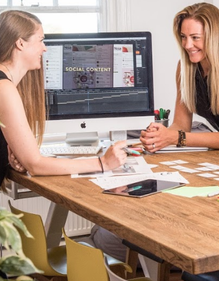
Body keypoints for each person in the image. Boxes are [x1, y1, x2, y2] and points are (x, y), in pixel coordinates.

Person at [0, 10, 127, 185]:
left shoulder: (5, 85)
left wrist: (19, 161)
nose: (44, 48)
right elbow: (36, 165)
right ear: (20, 43)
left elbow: (29, 162)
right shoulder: (4, 88)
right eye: (40, 40)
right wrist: (102, 163)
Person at [140, 2, 219, 154]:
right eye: (183, 37)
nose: (187, 45)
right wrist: (160, 134)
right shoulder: (185, 68)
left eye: (195, 37)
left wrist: (174, 137)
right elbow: (181, 125)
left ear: (214, 37)